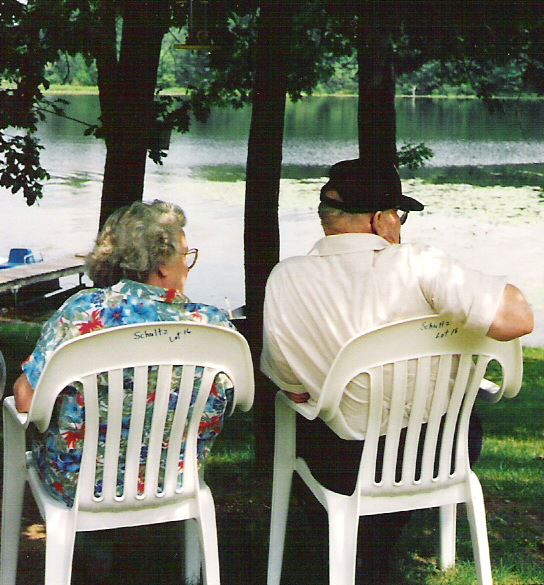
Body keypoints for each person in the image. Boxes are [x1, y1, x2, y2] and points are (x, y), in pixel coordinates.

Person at [260, 159, 534, 583]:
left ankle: (358, 549)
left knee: (308, 421)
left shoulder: (284, 279)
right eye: (399, 216)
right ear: (381, 219)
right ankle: (374, 549)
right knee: (450, 418)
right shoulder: (418, 265)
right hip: (439, 452)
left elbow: (292, 387)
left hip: (342, 460)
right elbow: (518, 319)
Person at [14, 199, 236, 508]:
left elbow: (25, 399)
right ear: (161, 263)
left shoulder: (82, 313)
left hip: (78, 485)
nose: (188, 264)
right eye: (186, 255)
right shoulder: (213, 326)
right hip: (174, 480)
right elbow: (231, 404)